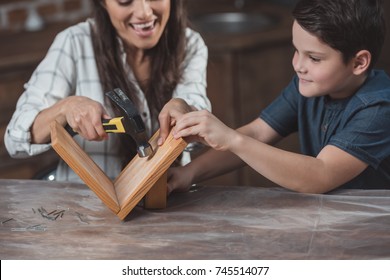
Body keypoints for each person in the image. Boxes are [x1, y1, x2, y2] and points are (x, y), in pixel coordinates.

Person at [167, 0, 390, 194]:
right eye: (296, 51)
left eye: (314, 58)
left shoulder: (378, 109)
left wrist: (231, 139)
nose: (298, 66)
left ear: (359, 62)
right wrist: (189, 173)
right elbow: (257, 132)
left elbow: (321, 174)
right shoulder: (309, 86)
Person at [4, 0, 211, 182]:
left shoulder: (190, 44)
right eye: (125, 1)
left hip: (166, 201)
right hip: (85, 208)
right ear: (103, 3)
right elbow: (15, 139)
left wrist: (184, 108)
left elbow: (199, 124)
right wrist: (65, 109)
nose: (144, 12)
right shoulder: (74, 43)